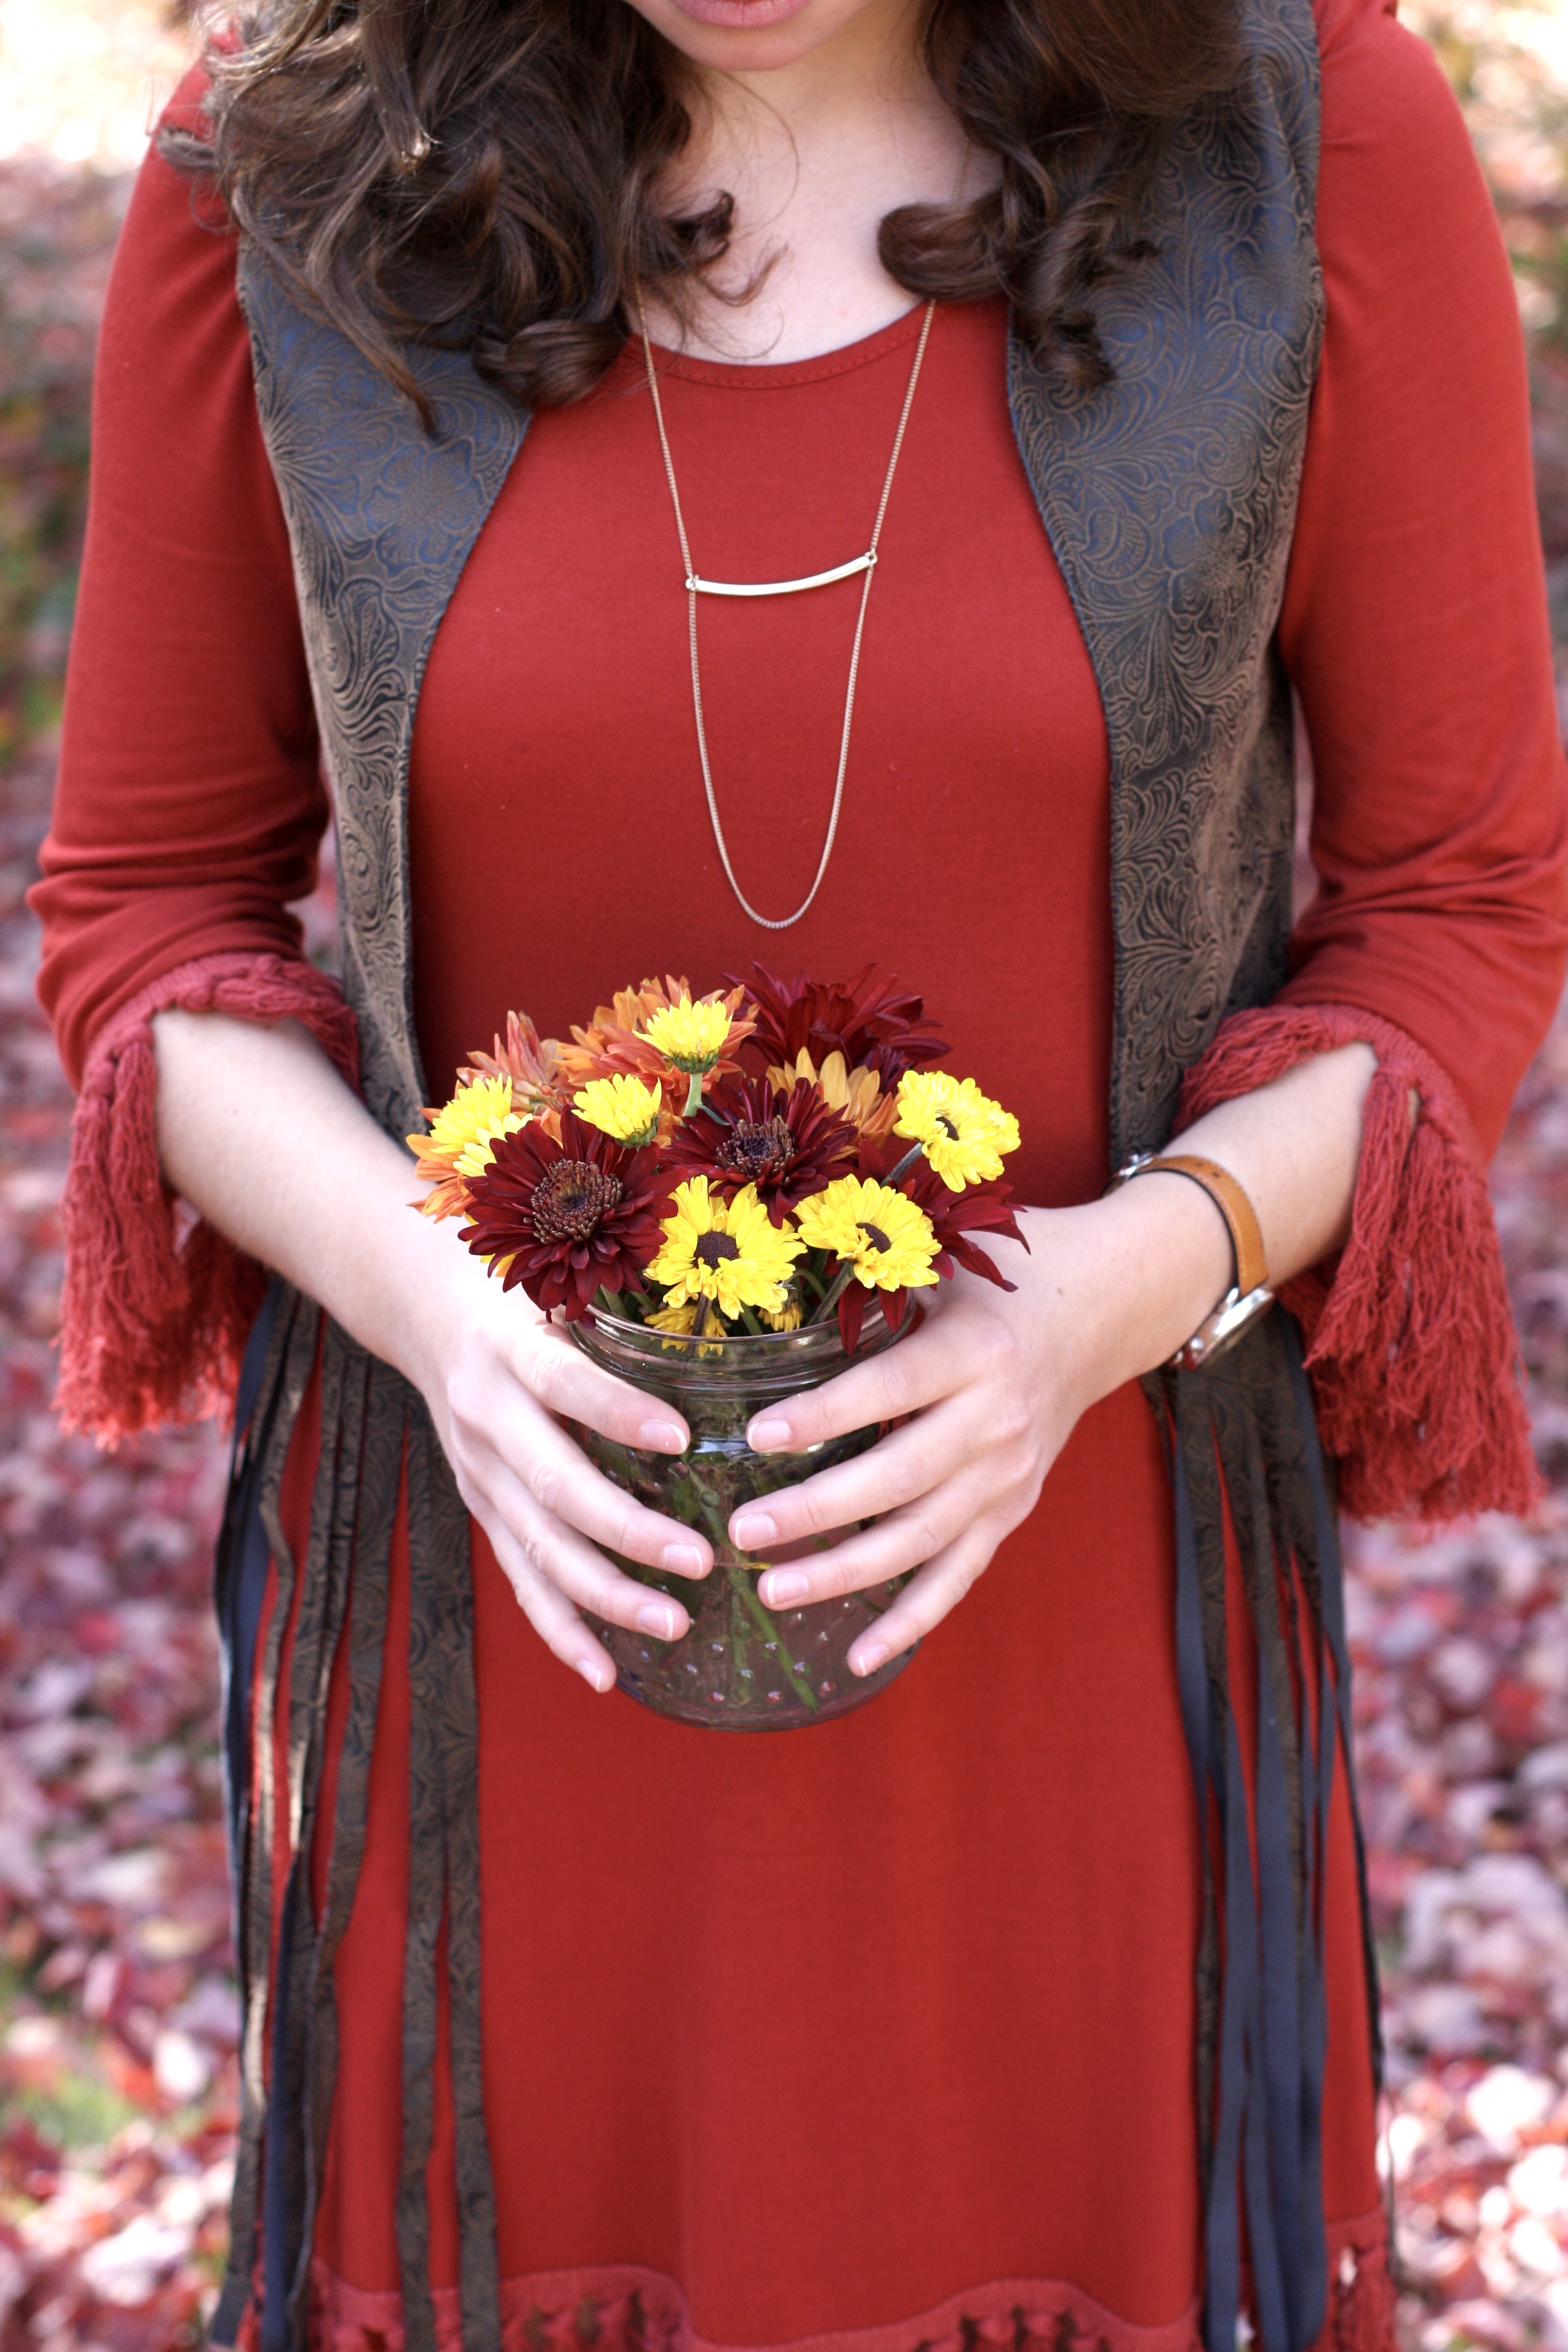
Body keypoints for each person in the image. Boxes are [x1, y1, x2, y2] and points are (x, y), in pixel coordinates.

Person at [30, 0, 1568, 2341]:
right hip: (503, 1631)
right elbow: (146, 915)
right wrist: (434, 1307)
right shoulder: (284, 168)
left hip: (1074, 1633)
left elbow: (1464, 908)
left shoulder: (1298, 137)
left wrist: (1119, 1290)